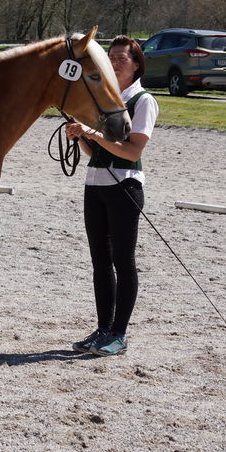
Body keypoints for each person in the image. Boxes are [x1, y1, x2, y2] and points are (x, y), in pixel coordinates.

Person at [65, 35, 159, 356]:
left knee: (123, 260)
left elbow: (132, 150)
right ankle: (103, 328)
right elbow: (95, 151)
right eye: (112, 57)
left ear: (136, 65)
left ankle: (119, 334)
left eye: (122, 58)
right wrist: (80, 135)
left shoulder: (142, 101)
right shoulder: (105, 99)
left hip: (125, 187)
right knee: (100, 262)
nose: (115, 62)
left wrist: (92, 133)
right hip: (96, 185)